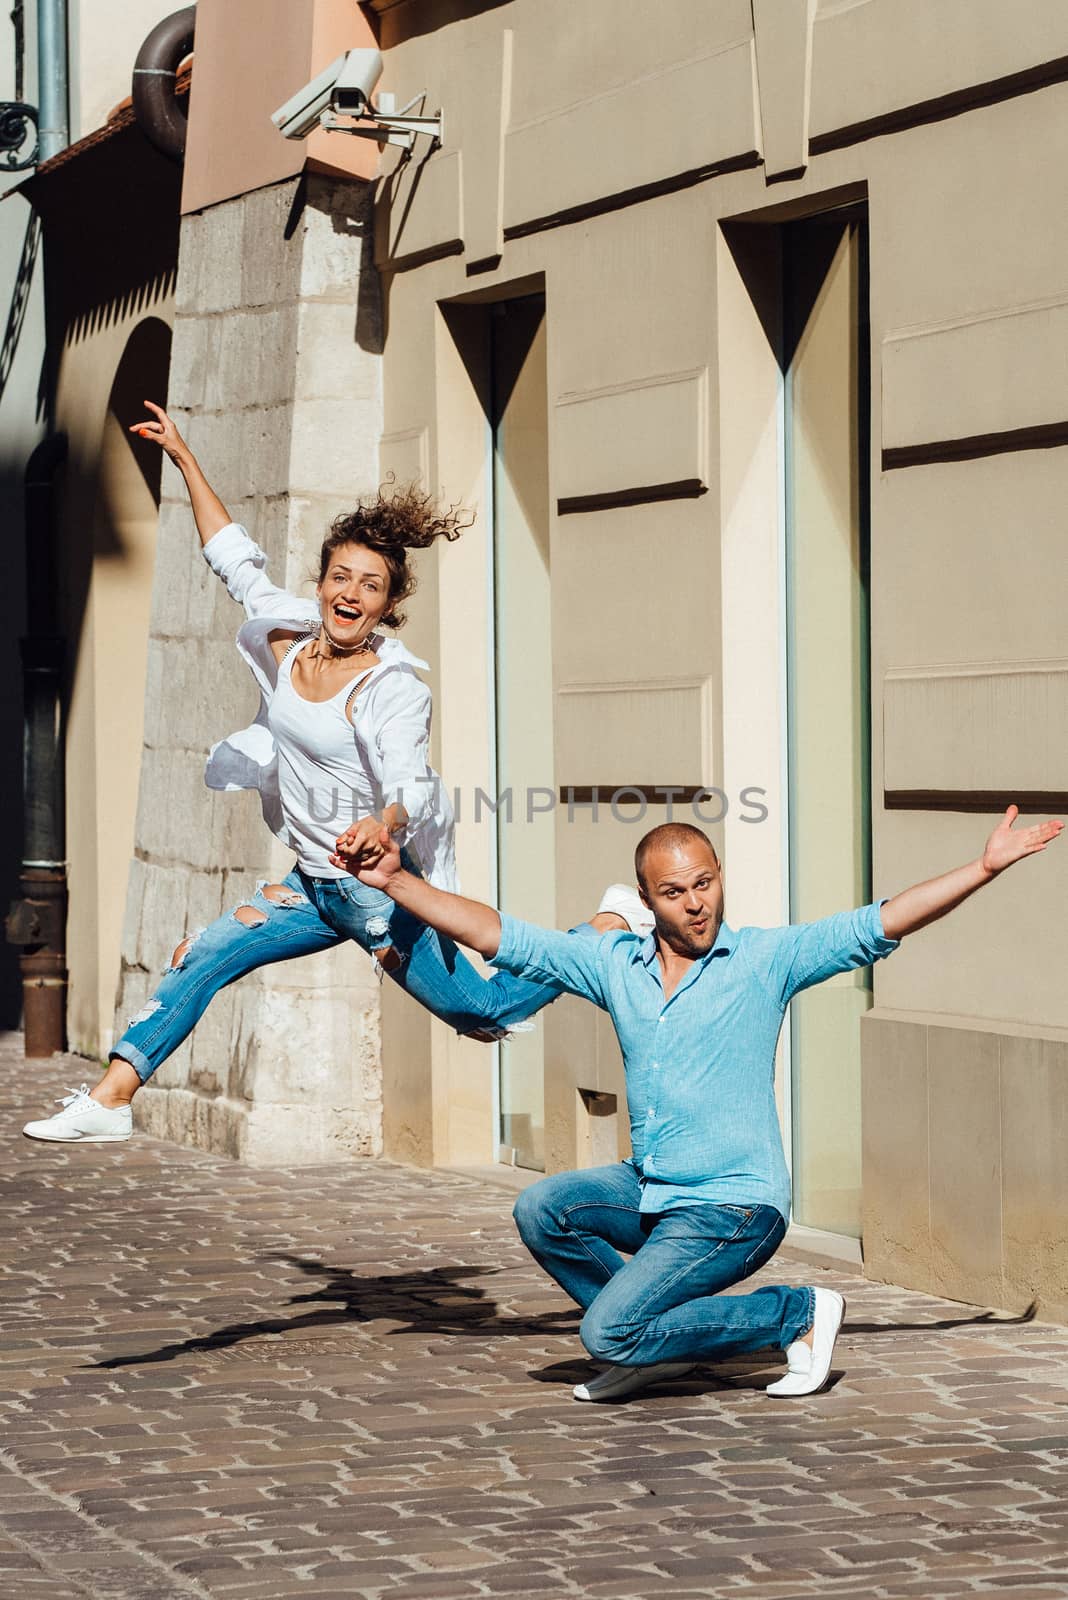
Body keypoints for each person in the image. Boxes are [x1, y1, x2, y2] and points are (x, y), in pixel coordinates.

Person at [23, 403, 641, 1145]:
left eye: (371, 585)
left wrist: (384, 828)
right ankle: (110, 1100)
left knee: (484, 1014)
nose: (351, 594)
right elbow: (233, 558)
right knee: (204, 958)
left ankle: (605, 925)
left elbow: (410, 783)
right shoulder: (288, 638)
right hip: (314, 884)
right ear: (320, 583)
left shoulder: (392, 688)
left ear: (389, 603)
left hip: (376, 889)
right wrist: (185, 459)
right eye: (341, 577)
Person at [334, 806, 1062, 1400]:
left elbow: (882, 921)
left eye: (705, 884)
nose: (696, 903)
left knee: (605, 1334)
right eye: (676, 893)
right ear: (646, 903)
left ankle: (795, 1314)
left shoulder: (761, 961)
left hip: (734, 1205)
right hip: (652, 1187)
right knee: (543, 1208)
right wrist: (395, 881)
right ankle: (654, 1341)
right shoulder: (611, 965)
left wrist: (984, 867)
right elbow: (494, 930)